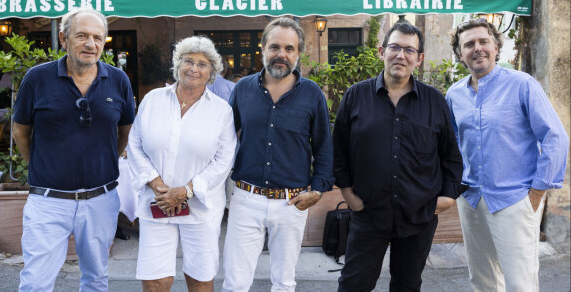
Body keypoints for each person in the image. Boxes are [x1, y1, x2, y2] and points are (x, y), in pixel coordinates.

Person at [333, 22, 464, 292]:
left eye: (409, 50)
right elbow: (339, 151)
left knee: (407, 285)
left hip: (418, 216)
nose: (400, 55)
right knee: (354, 284)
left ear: (419, 58)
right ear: (381, 52)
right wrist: (348, 194)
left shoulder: (434, 101)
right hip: (368, 213)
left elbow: (451, 153)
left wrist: (449, 195)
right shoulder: (355, 96)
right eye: (394, 47)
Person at [13, 7, 135, 291]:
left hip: (100, 200)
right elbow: (21, 131)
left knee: (95, 279)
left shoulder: (118, 80)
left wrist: (101, 163)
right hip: (48, 201)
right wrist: (43, 168)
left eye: (97, 37)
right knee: (35, 283)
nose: (91, 44)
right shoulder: (37, 78)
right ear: (64, 39)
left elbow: (124, 132)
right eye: (82, 36)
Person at [446, 18, 569, 292]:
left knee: (520, 284)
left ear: (496, 47)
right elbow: (452, 143)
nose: (477, 48)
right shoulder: (454, 94)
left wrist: (536, 193)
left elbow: (555, 137)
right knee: (482, 281)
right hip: (472, 200)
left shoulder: (522, 84)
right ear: (459, 53)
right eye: (469, 44)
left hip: (514, 200)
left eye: (483, 42)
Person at [222, 17, 333, 292]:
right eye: (274, 47)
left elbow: (323, 147)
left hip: (292, 202)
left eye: (289, 48)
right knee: (235, 283)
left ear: (298, 53)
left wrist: (318, 190)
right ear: (262, 48)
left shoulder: (312, 94)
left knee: (284, 283)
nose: (281, 54)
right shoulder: (242, 89)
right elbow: (221, 140)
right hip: (246, 199)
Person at [127, 36, 236, 292]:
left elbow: (224, 160)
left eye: (203, 64)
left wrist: (185, 191)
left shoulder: (221, 110)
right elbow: (135, 145)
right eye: (188, 61)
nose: (194, 69)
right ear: (178, 64)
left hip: (201, 208)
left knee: (200, 278)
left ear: (212, 72)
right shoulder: (153, 100)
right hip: (157, 203)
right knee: (155, 280)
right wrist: (158, 186)